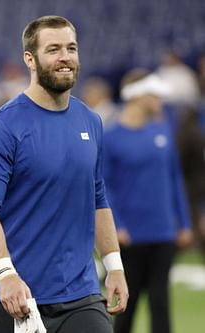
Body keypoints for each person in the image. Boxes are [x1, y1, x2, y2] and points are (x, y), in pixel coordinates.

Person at [0, 15, 128, 333]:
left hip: (79, 294)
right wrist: (5, 274)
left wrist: (114, 265)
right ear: (30, 58)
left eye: (71, 48)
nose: (65, 57)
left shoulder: (91, 121)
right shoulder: (2, 127)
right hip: (13, 294)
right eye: (53, 49)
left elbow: (97, 198)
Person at [103, 69, 193, 333]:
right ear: (138, 95)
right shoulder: (111, 137)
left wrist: (184, 223)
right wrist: (116, 226)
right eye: (154, 95)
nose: (159, 100)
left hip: (163, 233)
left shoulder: (163, 131)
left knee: (161, 303)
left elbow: (175, 179)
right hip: (130, 236)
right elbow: (105, 188)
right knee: (126, 307)